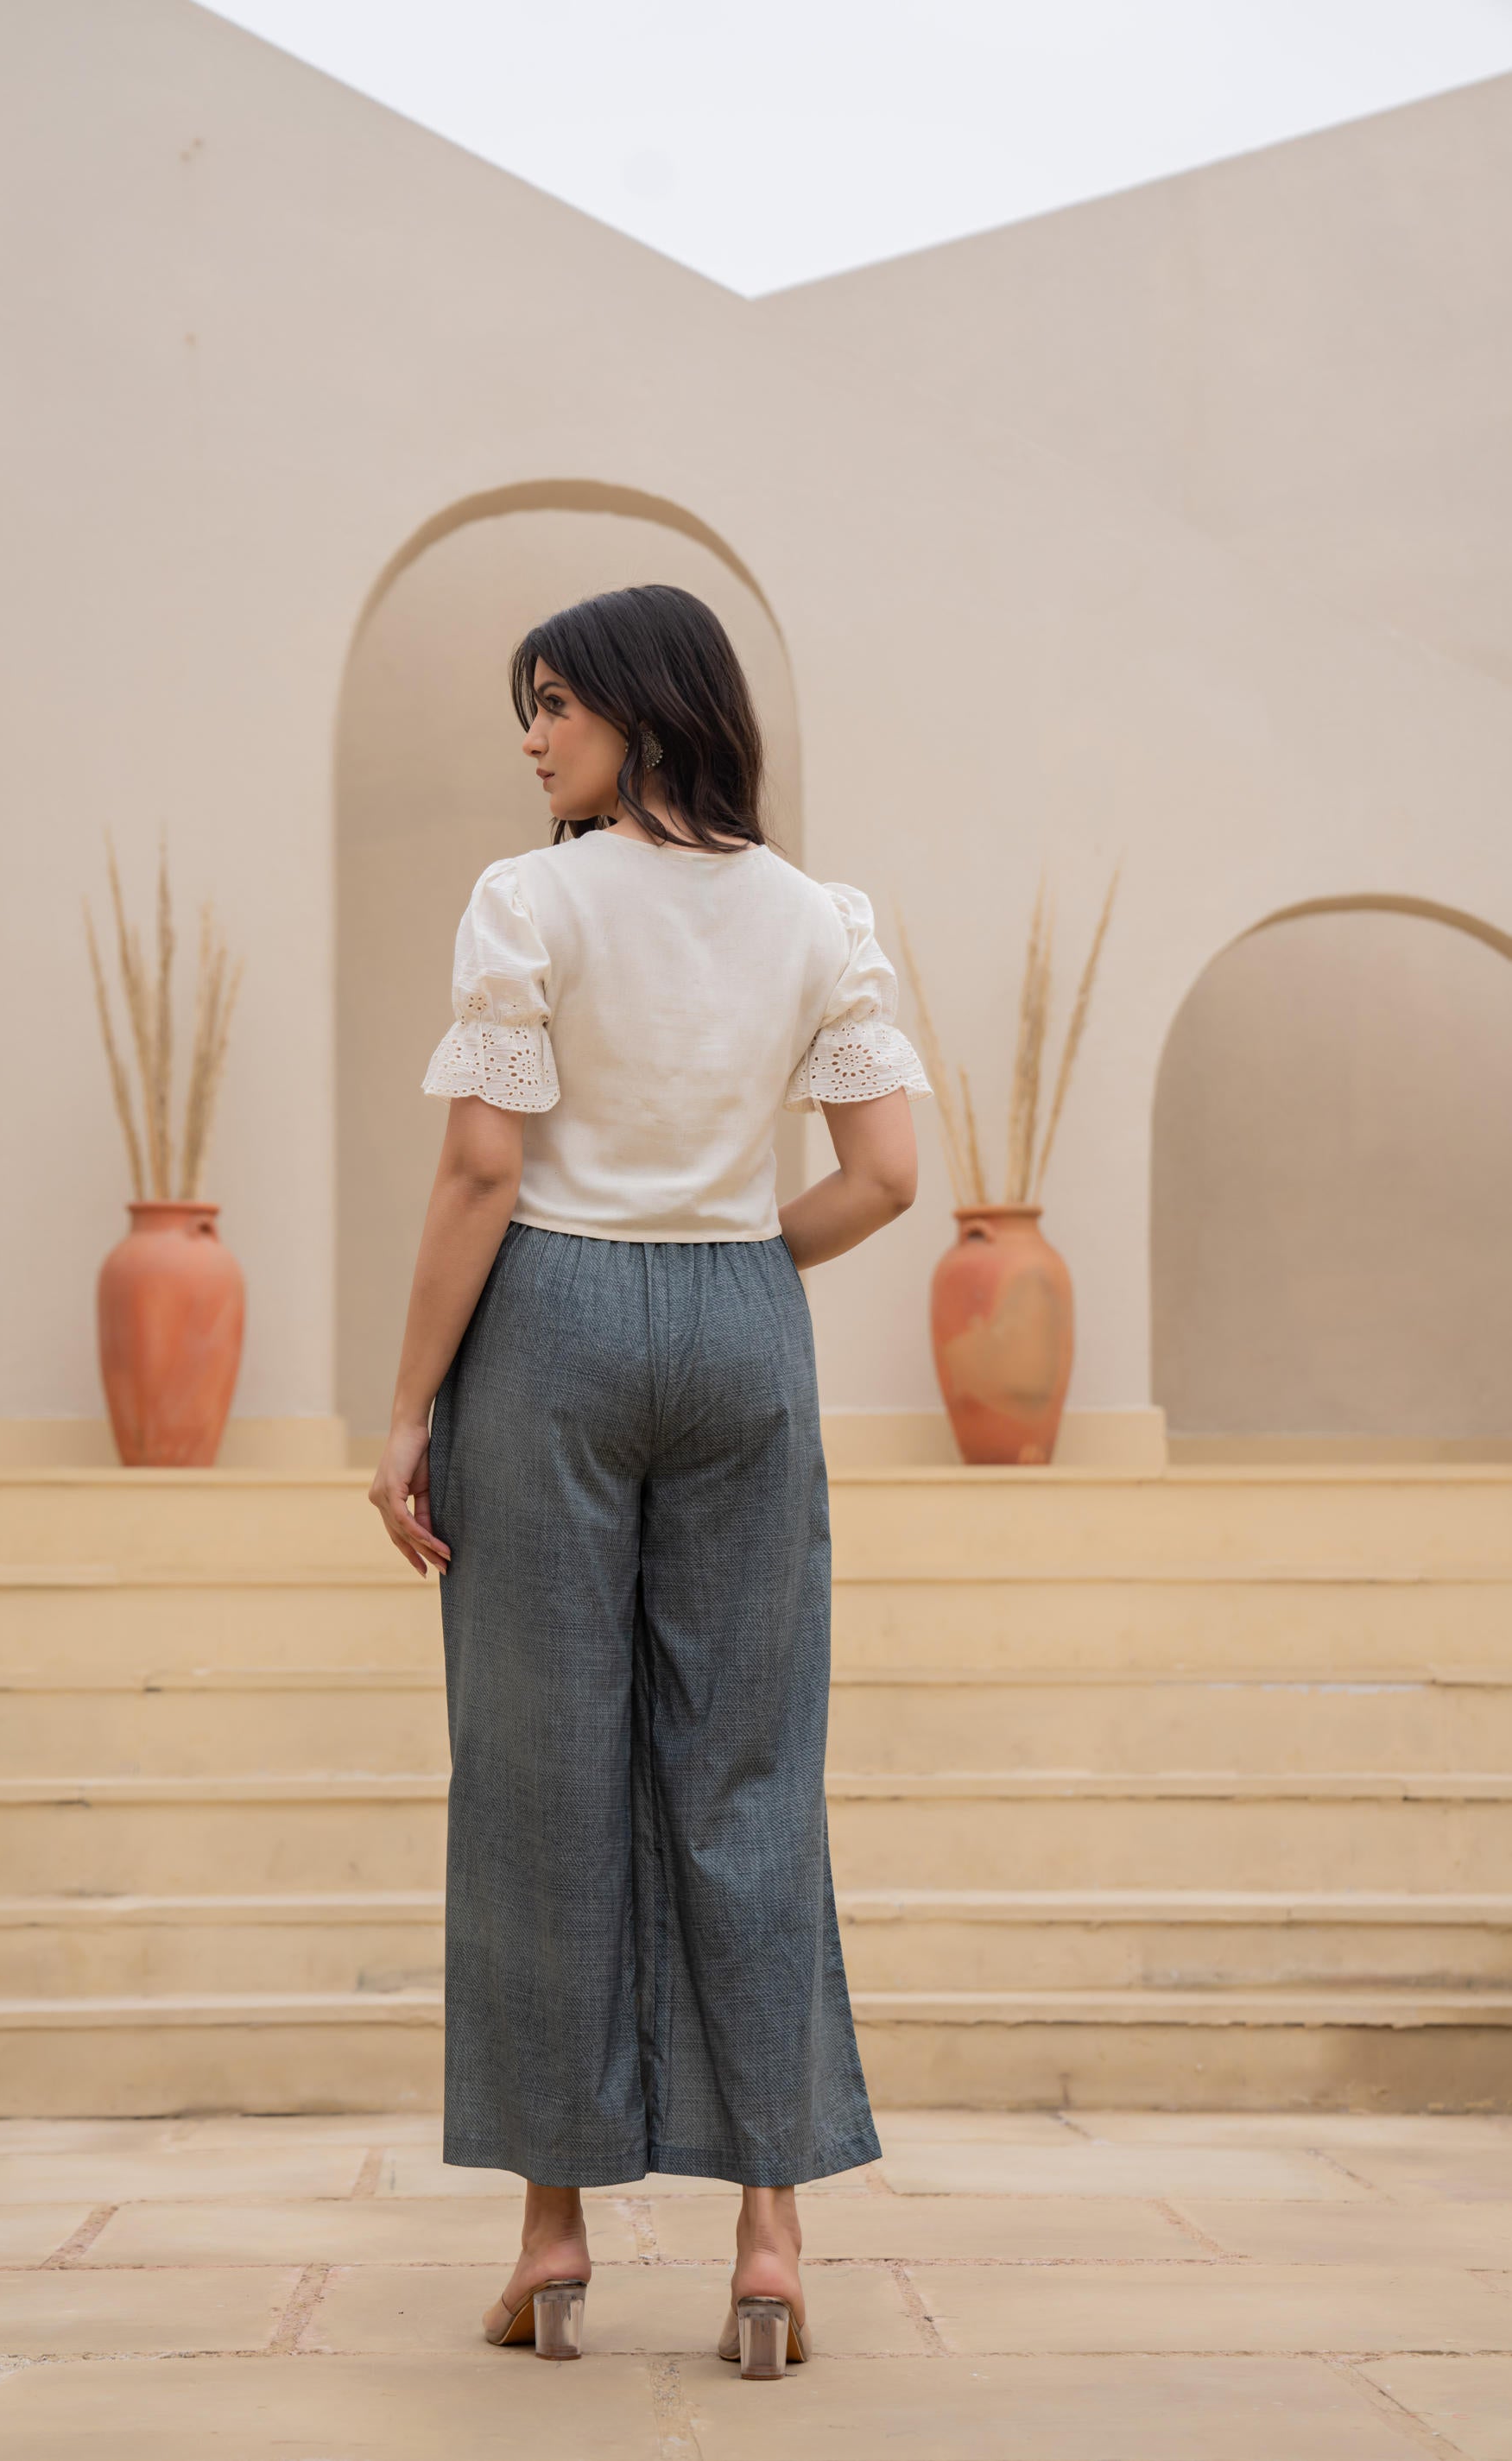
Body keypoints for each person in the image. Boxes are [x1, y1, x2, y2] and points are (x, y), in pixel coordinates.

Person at [368, 581, 932, 2379]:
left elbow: (477, 1167)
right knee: (746, 1766)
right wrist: (736, 1260)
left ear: (633, 706)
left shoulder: (528, 898)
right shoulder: (817, 916)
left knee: (539, 1770)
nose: (531, 739)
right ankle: (770, 2243)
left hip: (550, 1322)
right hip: (742, 1323)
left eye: (550, 706)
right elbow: (888, 1174)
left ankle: (552, 2237)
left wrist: (404, 1409)